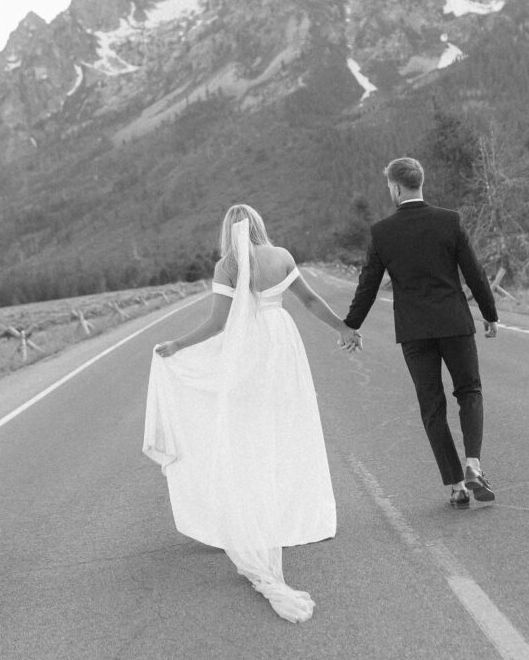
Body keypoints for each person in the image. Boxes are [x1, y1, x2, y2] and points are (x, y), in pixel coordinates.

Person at [143, 203, 357, 623]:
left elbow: (218, 324)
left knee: (245, 431)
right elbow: (310, 300)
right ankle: (290, 514)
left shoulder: (229, 264)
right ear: (258, 225)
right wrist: (344, 329)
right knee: (286, 428)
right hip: (282, 345)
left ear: (229, 231)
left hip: (248, 350)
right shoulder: (281, 256)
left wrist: (177, 346)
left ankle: (254, 513)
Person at [342, 157, 499, 507]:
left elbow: (367, 285)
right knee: (469, 391)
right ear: (419, 182)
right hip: (454, 323)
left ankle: (457, 485)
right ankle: (473, 463)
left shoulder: (383, 232)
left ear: (396, 188)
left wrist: (351, 325)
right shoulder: (450, 221)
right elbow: (474, 273)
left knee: (432, 407)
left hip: (414, 332)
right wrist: (489, 314)